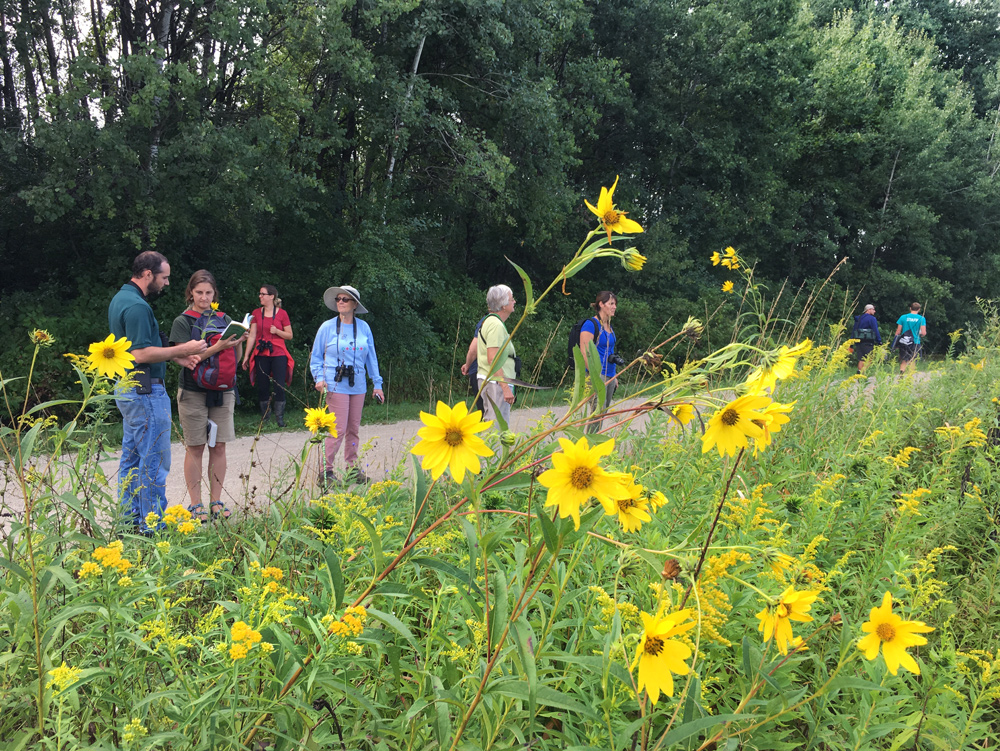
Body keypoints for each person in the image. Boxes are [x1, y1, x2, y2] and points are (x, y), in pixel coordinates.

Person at [108, 251, 207, 532]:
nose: (166, 283)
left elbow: (135, 348)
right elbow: (139, 353)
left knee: (132, 458)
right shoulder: (138, 307)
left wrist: (175, 357)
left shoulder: (121, 299)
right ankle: (152, 526)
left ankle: (128, 522)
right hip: (145, 390)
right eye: (164, 277)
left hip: (128, 387)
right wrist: (183, 348)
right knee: (154, 459)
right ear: (148, 274)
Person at [168, 270, 244, 520]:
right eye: (199, 292)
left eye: (208, 293)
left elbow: (236, 359)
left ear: (215, 293)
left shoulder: (224, 318)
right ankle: (195, 503)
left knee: (219, 446)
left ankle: (216, 501)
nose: (204, 298)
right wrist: (219, 346)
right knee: (196, 446)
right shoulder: (183, 322)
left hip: (223, 391)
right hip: (192, 391)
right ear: (190, 292)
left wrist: (239, 342)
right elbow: (185, 360)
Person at [311, 285, 384, 485]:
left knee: (353, 428)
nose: (341, 302)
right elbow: (316, 357)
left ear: (354, 305)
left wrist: (377, 384)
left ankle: (352, 469)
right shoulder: (327, 327)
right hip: (334, 384)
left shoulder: (363, 328)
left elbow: (371, 358)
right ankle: (325, 472)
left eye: (345, 299)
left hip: (358, 384)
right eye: (338, 299)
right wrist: (319, 378)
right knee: (337, 429)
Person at [241, 284, 294, 427]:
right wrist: (246, 356)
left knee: (279, 385)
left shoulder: (282, 314)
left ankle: (279, 419)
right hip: (261, 352)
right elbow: (252, 336)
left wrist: (277, 331)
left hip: (278, 352)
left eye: (263, 294)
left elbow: (289, 335)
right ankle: (265, 418)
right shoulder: (256, 313)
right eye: (260, 294)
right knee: (263, 385)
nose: (260, 296)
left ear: (271, 296)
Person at [579, 291, 621, 431]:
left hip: (609, 374)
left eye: (615, 304)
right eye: (611, 304)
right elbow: (585, 352)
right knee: (598, 411)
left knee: (603, 412)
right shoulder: (591, 325)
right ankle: (590, 444)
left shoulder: (609, 326)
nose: (614, 307)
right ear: (601, 305)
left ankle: (594, 441)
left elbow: (610, 351)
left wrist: (614, 375)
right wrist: (594, 376)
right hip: (596, 375)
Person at [476, 285, 517, 425]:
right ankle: (495, 448)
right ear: (503, 305)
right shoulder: (496, 325)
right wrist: (505, 387)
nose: (514, 302)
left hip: (492, 380)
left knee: (493, 422)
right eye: (512, 299)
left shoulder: (489, 321)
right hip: (496, 383)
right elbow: (493, 358)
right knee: (498, 425)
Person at [895, 302, 927, 373]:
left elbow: (898, 332)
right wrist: (920, 335)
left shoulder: (903, 317)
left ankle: (902, 373)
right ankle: (910, 377)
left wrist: (896, 342)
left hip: (904, 342)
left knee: (904, 359)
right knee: (913, 360)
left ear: (910, 308)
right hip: (915, 342)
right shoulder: (921, 319)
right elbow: (923, 332)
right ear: (919, 309)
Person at [851, 303, 882, 373]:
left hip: (858, 341)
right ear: (868, 310)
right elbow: (875, 330)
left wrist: (851, 344)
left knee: (861, 359)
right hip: (868, 341)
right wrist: (879, 341)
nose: (874, 311)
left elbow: (854, 330)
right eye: (873, 310)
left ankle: (859, 371)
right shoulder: (872, 319)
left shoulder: (858, 318)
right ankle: (862, 373)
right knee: (869, 359)